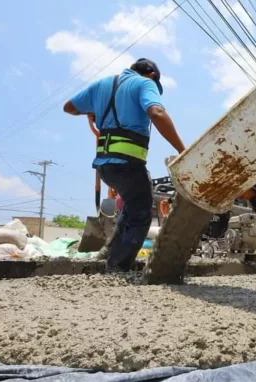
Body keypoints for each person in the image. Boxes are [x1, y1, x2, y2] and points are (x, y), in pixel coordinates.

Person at [63, 58, 185, 273]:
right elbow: (156, 113)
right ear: (152, 75)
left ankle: (110, 257)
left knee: (130, 210)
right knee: (141, 213)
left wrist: (90, 110)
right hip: (127, 163)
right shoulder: (144, 83)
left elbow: (69, 107)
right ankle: (117, 268)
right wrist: (182, 151)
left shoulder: (101, 84)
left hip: (105, 166)